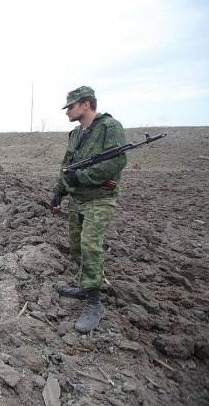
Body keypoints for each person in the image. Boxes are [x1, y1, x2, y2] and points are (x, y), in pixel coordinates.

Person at [51, 85, 127, 333]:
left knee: (90, 244)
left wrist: (81, 177)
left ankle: (95, 303)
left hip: (100, 198)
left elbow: (117, 161)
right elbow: (67, 166)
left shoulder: (109, 127)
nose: (67, 112)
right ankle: (85, 287)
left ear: (86, 104)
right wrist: (59, 192)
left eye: (70, 107)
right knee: (76, 246)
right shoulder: (75, 135)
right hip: (78, 199)